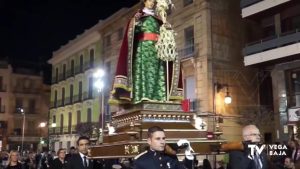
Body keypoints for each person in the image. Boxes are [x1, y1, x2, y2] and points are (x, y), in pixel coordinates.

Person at [109, 0, 183, 105]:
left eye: (153, 1)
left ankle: (160, 98)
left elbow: (164, 33)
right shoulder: (138, 17)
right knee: (144, 72)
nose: (152, 3)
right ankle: (143, 96)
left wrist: (167, 29)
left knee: (159, 73)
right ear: (144, 2)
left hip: (157, 50)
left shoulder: (159, 19)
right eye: (150, 0)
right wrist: (135, 23)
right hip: (143, 50)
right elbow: (132, 31)